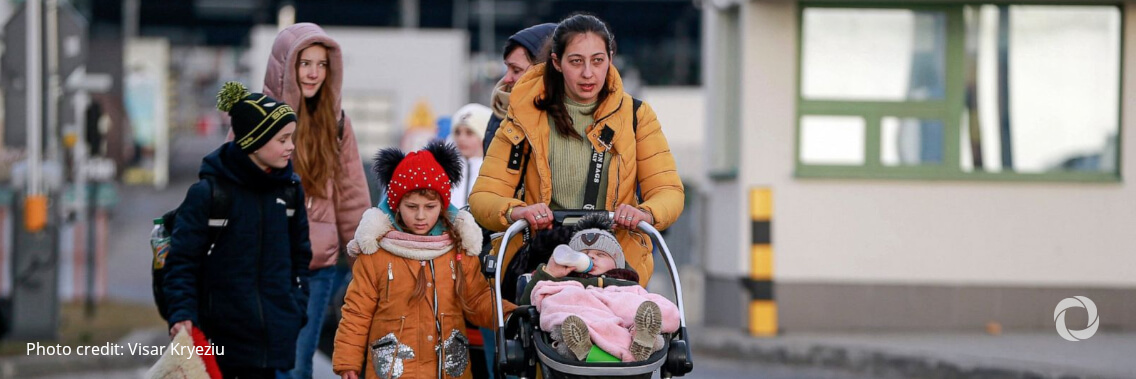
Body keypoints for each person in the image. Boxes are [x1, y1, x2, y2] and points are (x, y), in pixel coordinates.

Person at [469, 14, 685, 287]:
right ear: (557, 62)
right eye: (576, 62)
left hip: (616, 260)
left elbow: (669, 190)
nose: (588, 73)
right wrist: (518, 211)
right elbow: (484, 196)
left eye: (597, 61)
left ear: (610, 58)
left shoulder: (636, 115)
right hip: (546, 258)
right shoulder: (524, 115)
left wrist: (646, 213)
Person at [333, 141, 517, 379]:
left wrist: (510, 316)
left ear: (443, 205)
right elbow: (357, 312)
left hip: (448, 371)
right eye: (411, 207)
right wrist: (348, 363)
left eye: (430, 206)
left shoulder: (457, 251)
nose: (421, 216)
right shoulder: (376, 255)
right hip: (393, 372)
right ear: (396, 205)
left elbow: (477, 298)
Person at [164, 82, 311, 379]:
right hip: (219, 340)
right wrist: (183, 314)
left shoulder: (290, 191)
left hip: (273, 339)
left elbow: (300, 256)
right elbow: (181, 262)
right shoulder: (209, 194)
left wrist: (295, 308)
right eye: (282, 139)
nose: (291, 146)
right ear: (254, 142)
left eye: (291, 138)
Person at [259, 23, 371, 379]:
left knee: (296, 366)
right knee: (263, 364)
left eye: (322, 64)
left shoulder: (337, 123)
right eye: (304, 62)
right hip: (263, 265)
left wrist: (365, 259)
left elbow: (352, 194)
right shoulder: (257, 119)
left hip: (316, 266)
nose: (313, 73)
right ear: (285, 66)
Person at [519, 214, 679, 362]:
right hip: (583, 328)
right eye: (585, 253)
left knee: (651, 306)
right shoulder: (565, 283)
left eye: (601, 254)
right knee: (559, 299)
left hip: (626, 331)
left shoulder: (628, 285)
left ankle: (642, 337)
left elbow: (651, 306)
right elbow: (528, 303)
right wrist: (550, 274)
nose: (592, 257)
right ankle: (582, 346)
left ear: (617, 262)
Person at [483, 23, 557, 154]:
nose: (507, 79)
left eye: (516, 70)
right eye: (507, 68)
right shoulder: (500, 112)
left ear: (543, 71)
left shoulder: (564, 118)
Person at [448, 103, 492, 209]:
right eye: (457, 132)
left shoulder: (492, 171)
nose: (461, 138)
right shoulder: (446, 170)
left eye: (469, 133)